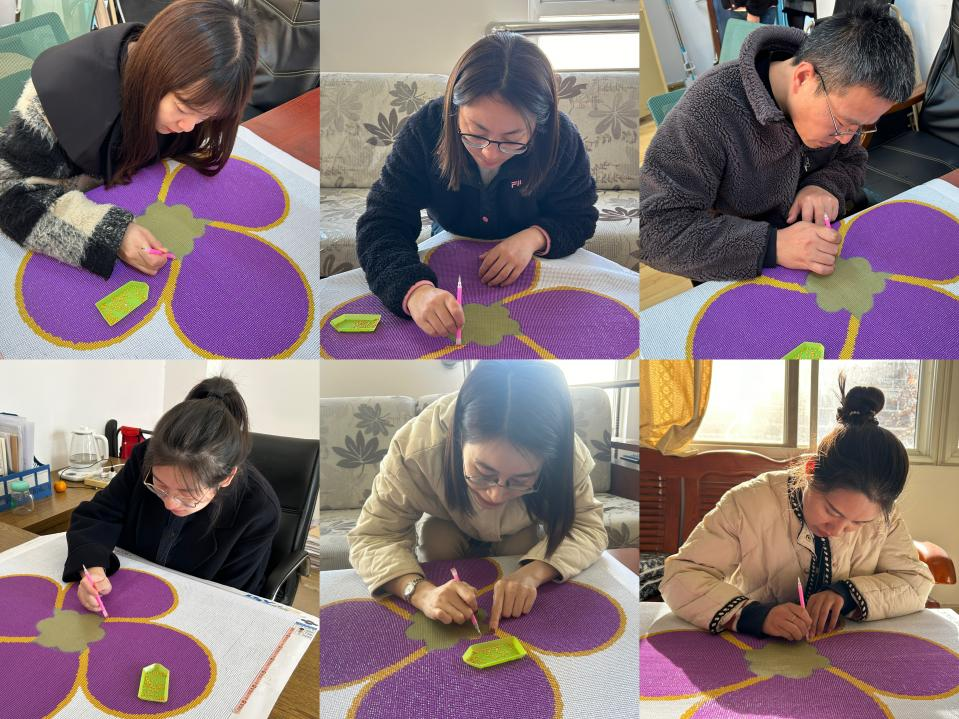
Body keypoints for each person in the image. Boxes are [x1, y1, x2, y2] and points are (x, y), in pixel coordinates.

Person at [639, 5, 915, 282]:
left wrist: (824, 185)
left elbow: (852, 158)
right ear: (803, 77)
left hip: (821, 251)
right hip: (743, 271)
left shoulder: (838, 95)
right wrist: (773, 246)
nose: (846, 137)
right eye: (843, 122)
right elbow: (652, 231)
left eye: (860, 126)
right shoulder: (707, 112)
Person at [356, 32, 598, 339]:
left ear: (539, 124)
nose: (490, 154)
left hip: (534, 257)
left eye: (512, 140)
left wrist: (533, 238)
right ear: (455, 108)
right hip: (450, 236)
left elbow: (579, 216)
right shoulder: (426, 129)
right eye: (475, 132)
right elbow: (382, 222)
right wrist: (414, 291)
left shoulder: (561, 137)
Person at [0, 0, 256, 279]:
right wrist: (113, 234)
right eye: (183, 108)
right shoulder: (64, 89)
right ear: (156, 72)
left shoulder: (192, 93)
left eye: (206, 116)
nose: (188, 126)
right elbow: (6, 192)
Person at [660, 380, 933, 641]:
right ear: (811, 470)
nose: (838, 531)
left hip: (845, 651)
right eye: (832, 511)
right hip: (753, 648)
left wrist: (847, 594)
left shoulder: (885, 520)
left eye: (858, 523)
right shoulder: (747, 503)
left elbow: (915, 582)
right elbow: (680, 576)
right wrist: (754, 616)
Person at [347, 361, 607, 631]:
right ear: (458, 437)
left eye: (521, 481)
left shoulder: (567, 456)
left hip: (520, 531)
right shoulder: (416, 448)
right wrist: (421, 592)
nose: (495, 495)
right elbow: (374, 537)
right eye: (483, 472)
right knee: (438, 539)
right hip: (446, 526)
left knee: (520, 547)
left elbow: (587, 527)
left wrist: (532, 574)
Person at [64, 377, 281, 611]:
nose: (169, 503)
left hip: (195, 607)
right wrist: (94, 571)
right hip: (129, 586)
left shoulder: (258, 508)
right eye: (159, 485)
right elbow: (98, 515)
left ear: (226, 478)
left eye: (187, 494)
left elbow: (232, 598)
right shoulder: (144, 458)